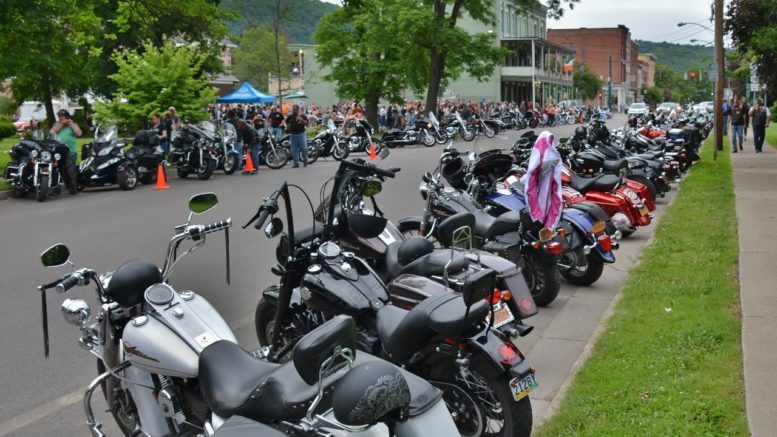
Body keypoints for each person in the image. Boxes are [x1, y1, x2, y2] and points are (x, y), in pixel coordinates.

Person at [49, 109, 81, 195]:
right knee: (57, 170)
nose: (60, 118)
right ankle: (56, 188)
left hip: (71, 152)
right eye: (59, 116)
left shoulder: (73, 125)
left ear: (67, 117)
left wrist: (71, 124)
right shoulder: (57, 125)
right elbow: (52, 132)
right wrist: (62, 124)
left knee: (70, 172)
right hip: (58, 153)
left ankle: (72, 188)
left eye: (62, 116)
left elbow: (79, 133)